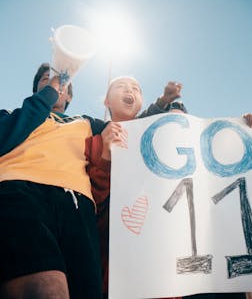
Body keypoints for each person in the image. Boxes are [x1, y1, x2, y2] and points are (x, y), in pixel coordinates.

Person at [0, 65, 107, 299]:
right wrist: (44, 98)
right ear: (38, 88)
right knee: (44, 289)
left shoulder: (86, 122)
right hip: (18, 191)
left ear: (69, 95)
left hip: (78, 205)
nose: (55, 82)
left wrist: (163, 106)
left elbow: (132, 129)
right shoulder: (11, 115)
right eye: (46, 80)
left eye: (62, 82)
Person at [85, 76, 183, 299]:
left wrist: (248, 126)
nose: (130, 90)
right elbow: (90, 204)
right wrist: (105, 158)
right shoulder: (94, 140)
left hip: (161, 266)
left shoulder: (162, 140)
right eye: (121, 86)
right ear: (106, 102)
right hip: (116, 267)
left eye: (136, 88)